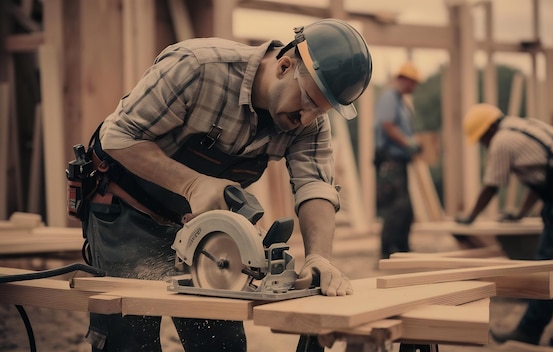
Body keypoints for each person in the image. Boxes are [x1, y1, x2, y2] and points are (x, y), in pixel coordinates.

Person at [78, 18, 372, 352]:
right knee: (131, 339)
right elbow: (115, 136)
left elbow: (315, 186)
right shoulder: (199, 68)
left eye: (320, 111)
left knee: (220, 341)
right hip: (127, 209)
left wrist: (320, 256)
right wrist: (191, 185)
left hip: (202, 230)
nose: (306, 118)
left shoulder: (309, 124)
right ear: (285, 65)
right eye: (306, 102)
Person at [455, 103, 553, 348]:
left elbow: (492, 185)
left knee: (549, 267)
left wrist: (470, 217)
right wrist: (521, 213)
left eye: (481, 140)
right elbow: (542, 177)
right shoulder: (523, 126)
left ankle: (529, 332)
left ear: (487, 130)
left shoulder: (501, 140)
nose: (484, 145)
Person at [373, 62, 422, 259]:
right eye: (413, 82)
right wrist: (408, 143)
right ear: (405, 79)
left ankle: (402, 250)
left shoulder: (400, 101)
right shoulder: (389, 97)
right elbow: (388, 125)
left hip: (398, 162)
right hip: (389, 161)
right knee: (395, 207)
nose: (415, 87)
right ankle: (389, 252)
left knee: (405, 210)